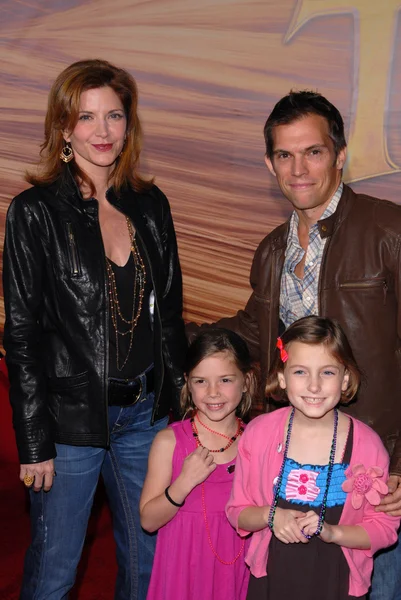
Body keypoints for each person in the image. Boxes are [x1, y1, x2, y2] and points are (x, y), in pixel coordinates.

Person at [192, 90, 401, 598]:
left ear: (341, 154)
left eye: (314, 151)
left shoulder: (388, 230)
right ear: (270, 164)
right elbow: (252, 332)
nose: (299, 168)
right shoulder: (271, 250)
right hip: (293, 476)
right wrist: (169, 338)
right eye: (284, 155)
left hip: (375, 474)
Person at [3, 59, 187, 600]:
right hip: (70, 424)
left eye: (114, 115)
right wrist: (35, 442)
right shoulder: (34, 213)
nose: (102, 131)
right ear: (64, 127)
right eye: (86, 117)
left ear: (129, 125)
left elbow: (170, 319)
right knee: (54, 572)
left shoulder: (150, 206)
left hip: (145, 420)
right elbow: (21, 335)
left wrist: (183, 415)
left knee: (148, 568)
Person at [226, 316, 400, 600]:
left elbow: (383, 529)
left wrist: (333, 533)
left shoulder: (368, 446)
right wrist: (271, 516)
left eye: (328, 373)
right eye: (300, 372)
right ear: (282, 377)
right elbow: (237, 511)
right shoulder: (259, 434)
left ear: (345, 378)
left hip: (338, 584)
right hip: (273, 580)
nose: (314, 386)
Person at [139, 329, 257, 599]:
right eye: (201, 381)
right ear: (187, 384)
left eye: (225, 380)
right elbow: (148, 521)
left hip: (238, 573)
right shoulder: (169, 442)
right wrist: (183, 483)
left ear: (246, 381)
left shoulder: (257, 441)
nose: (213, 392)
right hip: (183, 576)